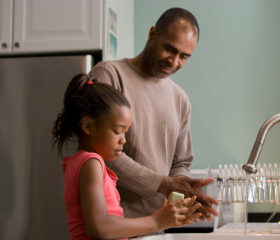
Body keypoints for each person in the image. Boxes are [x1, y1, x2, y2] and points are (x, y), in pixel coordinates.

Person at [88, 7, 219, 221]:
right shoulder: (109, 75)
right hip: (111, 224)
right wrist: (163, 184)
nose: (174, 62)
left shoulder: (180, 99)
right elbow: (99, 150)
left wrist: (183, 192)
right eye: (170, 49)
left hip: (156, 226)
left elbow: (181, 163)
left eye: (184, 56)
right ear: (152, 35)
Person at [52, 73, 201, 240]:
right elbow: (100, 228)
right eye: (117, 131)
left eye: (125, 132)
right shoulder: (91, 163)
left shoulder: (79, 162)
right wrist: (157, 221)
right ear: (88, 126)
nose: (123, 140)